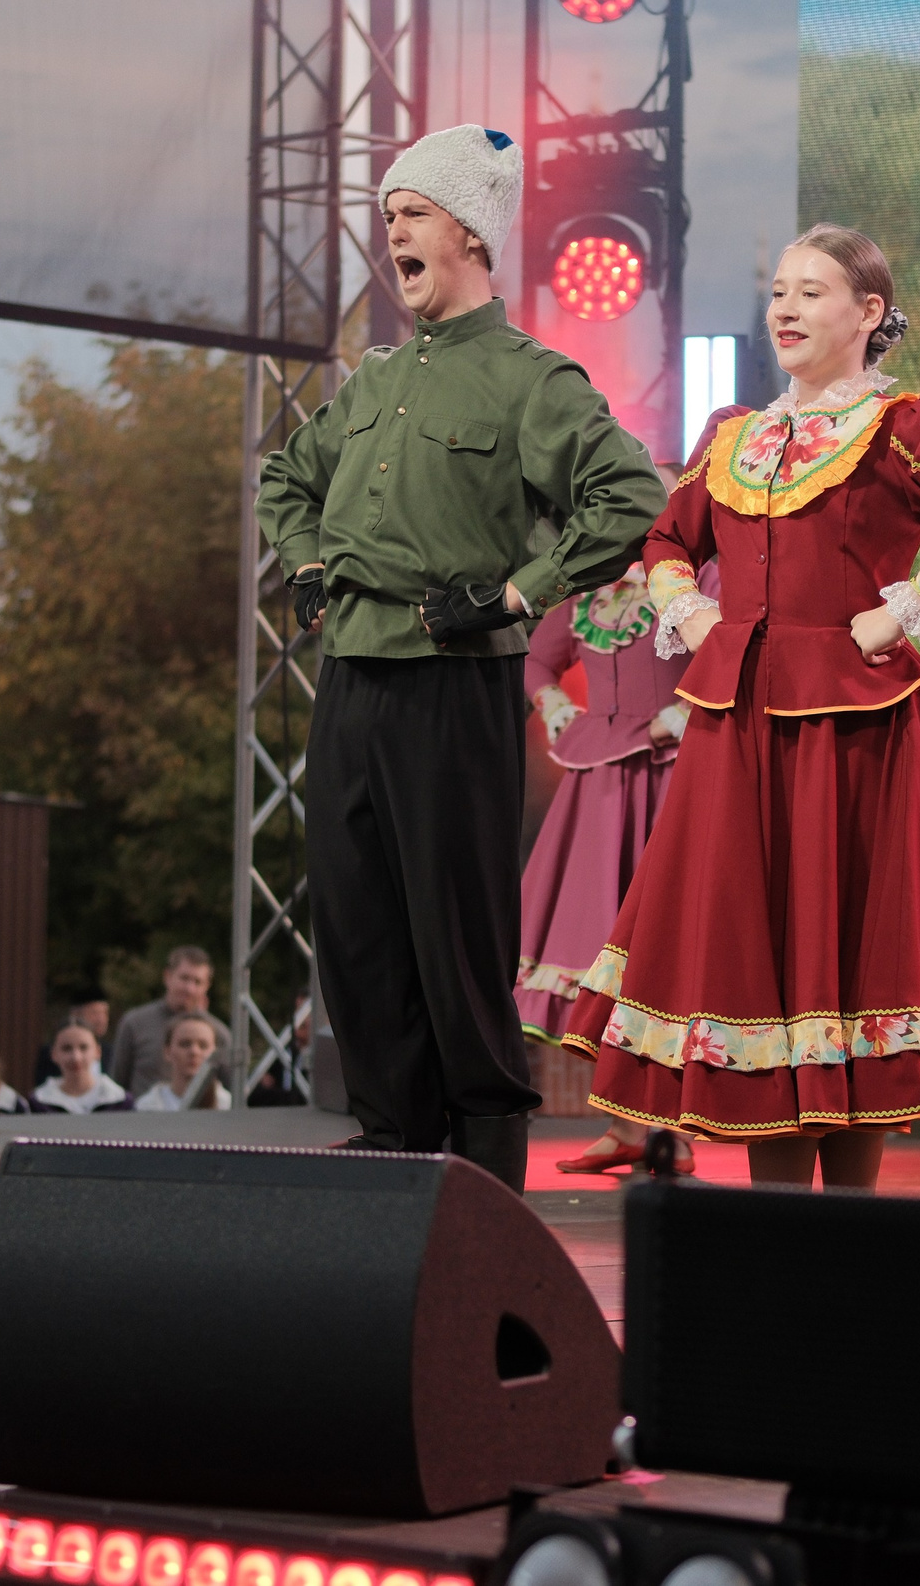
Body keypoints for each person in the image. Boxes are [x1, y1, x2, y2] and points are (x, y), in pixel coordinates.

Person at [566, 224, 920, 1190]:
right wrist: (698, 616)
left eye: (811, 292)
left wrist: (900, 612)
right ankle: (777, 1222)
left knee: (844, 951)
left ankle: (844, 1226)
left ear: (869, 314)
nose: (783, 308)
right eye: (778, 291)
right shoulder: (734, 435)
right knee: (755, 954)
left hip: (854, 731)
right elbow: (664, 541)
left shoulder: (904, 425)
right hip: (734, 729)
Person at [256, 123, 667, 1190]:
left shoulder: (531, 381)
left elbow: (630, 497)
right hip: (350, 677)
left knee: (456, 930)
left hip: (457, 683)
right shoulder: (372, 381)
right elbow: (284, 482)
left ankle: (482, 1165)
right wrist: (304, 565)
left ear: (470, 232)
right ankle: (393, 1140)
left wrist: (522, 593)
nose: (391, 229)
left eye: (412, 212)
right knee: (354, 919)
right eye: (385, 213)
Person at [514, 551, 712, 1173]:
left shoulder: (696, 578)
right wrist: (552, 703)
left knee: (665, 951)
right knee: (595, 949)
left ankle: (669, 1127)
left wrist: (689, 710)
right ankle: (627, 1124)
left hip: (671, 773)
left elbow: (730, 646)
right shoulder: (584, 592)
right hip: (597, 785)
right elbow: (538, 656)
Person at [109, 952, 221, 1099]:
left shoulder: (219, 1033)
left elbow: (232, 1087)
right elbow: (117, 1083)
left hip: (201, 1118)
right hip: (146, 1116)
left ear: (207, 986)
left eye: (197, 982)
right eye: (184, 978)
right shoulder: (134, 1023)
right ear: (168, 976)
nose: (189, 988)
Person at [131, 1015, 234, 1112]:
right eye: (185, 1044)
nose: (194, 1052)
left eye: (203, 1046)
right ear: (167, 1051)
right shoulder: (145, 1107)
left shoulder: (231, 1106)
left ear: (215, 1052)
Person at [34, 1019, 128, 1113]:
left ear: (98, 1052)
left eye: (83, 1047)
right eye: (67, 1048)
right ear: (53, 1054)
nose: (76, 1057)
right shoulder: (37, 1103)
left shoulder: (120, 1101)